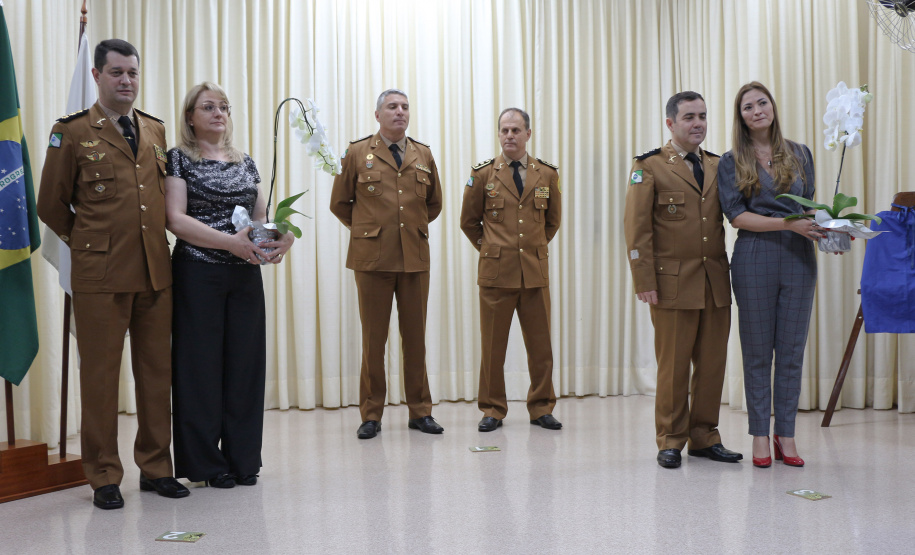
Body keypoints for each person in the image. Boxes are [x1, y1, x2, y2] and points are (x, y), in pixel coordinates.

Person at [37, 39, 189, 509]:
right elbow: (50, 204)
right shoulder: (73, 132)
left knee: (155, 374)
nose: (127, 81)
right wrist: (90, 246)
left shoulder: (156, 130)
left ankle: (156, 467)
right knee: (101, 379)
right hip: (99, 277)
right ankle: (103, 473)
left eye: (133, 73)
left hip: (154, 272)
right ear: (98, 76)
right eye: (117, 72)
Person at [164, 82, 293, 487]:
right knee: (199, 369)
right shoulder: (179, 159)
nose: (218, 113)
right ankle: (205, 465)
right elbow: (176, 219)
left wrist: (278, 236)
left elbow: (258, 217)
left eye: (223, 107)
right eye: (208, 107)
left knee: (245, 366)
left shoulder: (246, 162)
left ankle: (242, 460)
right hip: (198, 272)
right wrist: (229, 244)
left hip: (243, 275)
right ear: (190, 116)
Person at [623, 91, 743, 469]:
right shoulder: (650, 166)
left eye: (703, 116)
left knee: (711, 365)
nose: (698, 123)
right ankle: (671, 439)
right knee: (673, 367)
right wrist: (644, 278)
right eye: (689, 116)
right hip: (671, 284)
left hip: (714, 282)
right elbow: (636, 229)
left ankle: (705, 436)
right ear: (670, 123)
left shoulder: (718, 164)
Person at [330, 89, 444, 439]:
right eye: (392, 107)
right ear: (377, 114)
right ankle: (371, 414)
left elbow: (434, 203)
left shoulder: (422, 154)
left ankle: (420, 411)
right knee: (373, 339)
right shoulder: (357, 152)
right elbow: (340, 202)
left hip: (414, 258)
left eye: (405, 107)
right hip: (372, 261)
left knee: (415, 339)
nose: (400, 112)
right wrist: (369, 231)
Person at [717, 82, 820, 468]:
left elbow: (810, 208)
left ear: (773, 107)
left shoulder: (801, 153)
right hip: (754, 255)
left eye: (762, 103)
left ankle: (786, 435)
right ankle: (760, 435)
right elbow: (736, 215)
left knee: (791, 353)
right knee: (758, 352)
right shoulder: (730, 161)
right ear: (740, 116)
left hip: (799, 257)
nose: (757, 110)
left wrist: (828, 231)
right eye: (748, 106)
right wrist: (788, 225)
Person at [460, 108, 563, 432]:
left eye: (516, 130)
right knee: (492, 347)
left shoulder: (546, 174)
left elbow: (552, 221)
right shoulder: (483, 174)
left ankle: (541, 407)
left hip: (533, 273)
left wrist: (529, 249)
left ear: (527, 134)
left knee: (541, 346)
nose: (509, 136)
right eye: (504, 130)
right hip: (496, 275)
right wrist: (491, 249)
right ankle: (492, 408)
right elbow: (468, 221)